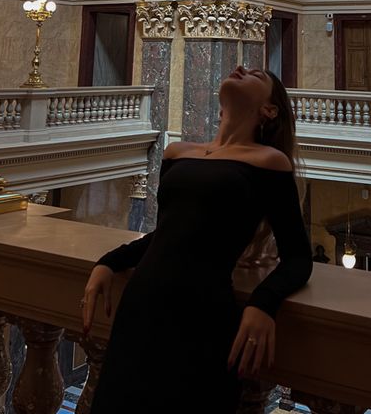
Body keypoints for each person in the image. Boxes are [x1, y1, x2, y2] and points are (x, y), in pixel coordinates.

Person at [81, 66, 312, 414]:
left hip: (201, 314)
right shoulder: (177, 152)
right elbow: (170, 234)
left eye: (256, 75)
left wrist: (263, 303)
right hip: (141, 306)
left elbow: (298, 257)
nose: (241, 68)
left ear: (269, 110)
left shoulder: (269, 163)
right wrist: (111, 261)